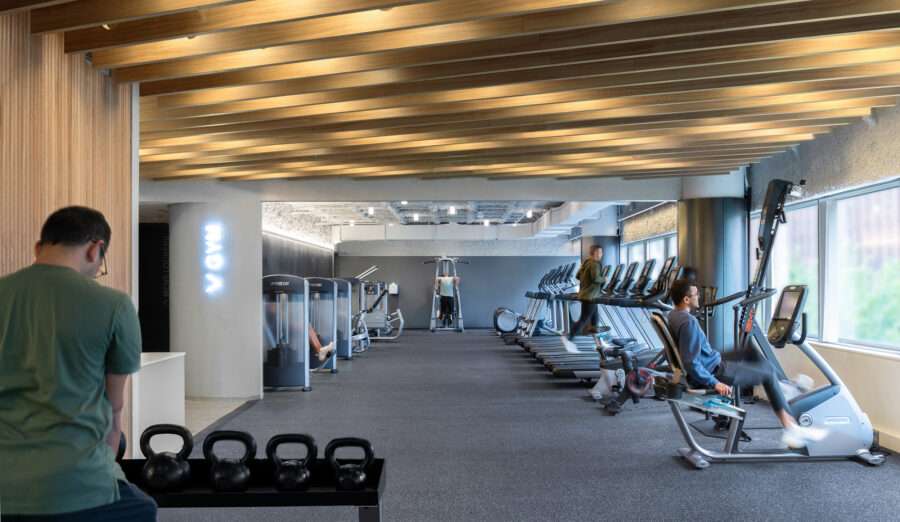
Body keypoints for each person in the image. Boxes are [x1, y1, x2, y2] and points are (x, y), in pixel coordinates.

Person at [0, 206, 157, 521]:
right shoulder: (114, 305)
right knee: (143, 508)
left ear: (38, 248)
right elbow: (114, 409)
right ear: (95, 249)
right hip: (76, 481)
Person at [667, 278, 827, 449]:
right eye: (696, 295)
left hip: (710, 360)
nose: (699, 297)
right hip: (713, 371)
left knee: (749, 349)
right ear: (686, 299)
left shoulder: (674, 315)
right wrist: (716, 383)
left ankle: (782, 388)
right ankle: (791, 428)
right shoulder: (689, 322)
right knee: (768, 374)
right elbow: (690, 362)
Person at [562, 245, 606, 350]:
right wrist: (604, 278)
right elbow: (596, 279)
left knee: (595, 319)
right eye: (600, 252)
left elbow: (578, 276)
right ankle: (569, 337)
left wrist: (586, 280)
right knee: (584, 318)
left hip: (585, 294)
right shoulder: (595, 263)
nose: (601, 254)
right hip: (591, 295)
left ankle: (598, 343)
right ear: (596, 253)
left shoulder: (585, 263)